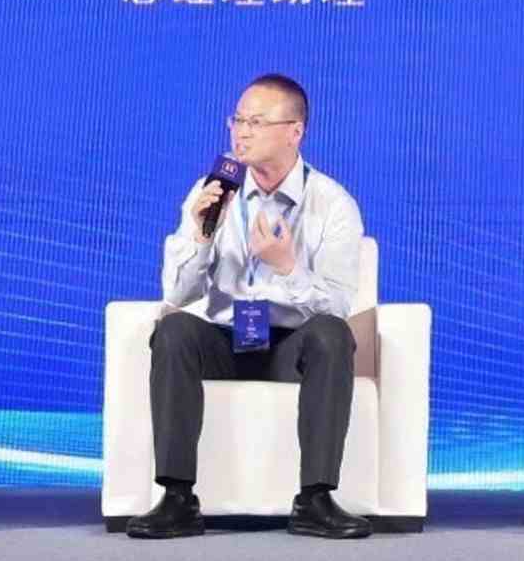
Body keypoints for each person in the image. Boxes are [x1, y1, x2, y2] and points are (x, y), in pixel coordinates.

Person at [127, 71, 377, 537]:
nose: (241, 133)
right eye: (237, 120)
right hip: (226, 339)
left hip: (290, 345)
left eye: (256, 122)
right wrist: (202, 234)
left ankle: (316, 500)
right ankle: (177, 499)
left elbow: (338, 304)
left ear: (294, 132)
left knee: (331, 335)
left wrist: (287, 267)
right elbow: (177, 294)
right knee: (174, 330)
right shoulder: (213, 190)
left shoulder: (332, 204)